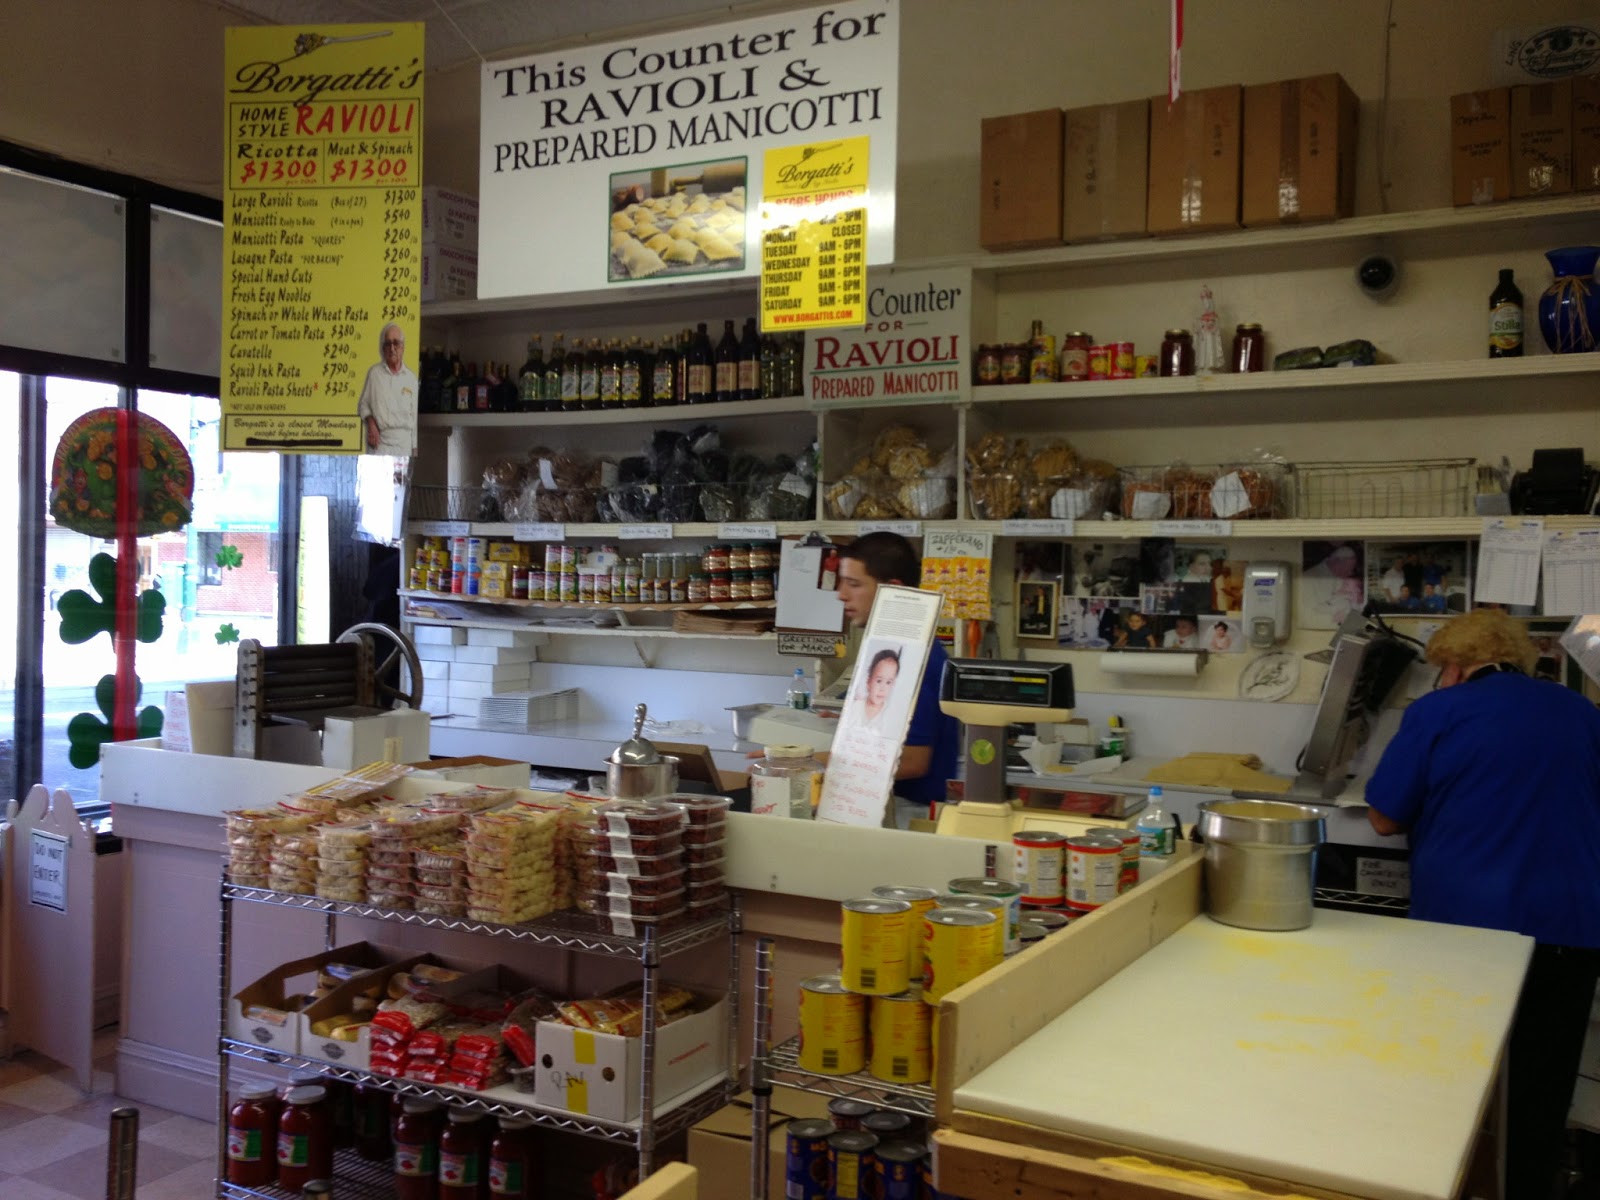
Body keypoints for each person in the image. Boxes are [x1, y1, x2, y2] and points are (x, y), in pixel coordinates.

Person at [1365, 609, 1600, 1200]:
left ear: (1454, 667)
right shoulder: (1581, 712)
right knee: (1542, 1088)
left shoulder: (1437, 712)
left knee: (1454, 1080)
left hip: (1466, 931)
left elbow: (1384, 816)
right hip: (1570, 926)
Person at [835, 532, 962, 828]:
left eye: (854, 584)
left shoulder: (914, 658)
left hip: (911, 815)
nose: (841, 594)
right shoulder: (889, 647)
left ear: (892, 590)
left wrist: (808, 763)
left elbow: (913, 761)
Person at [357, 322, 419, 456]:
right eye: (388, 344)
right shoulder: (374, 374)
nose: (392, 348)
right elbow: (363, 405)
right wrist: (371, 422)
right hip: (380, 444)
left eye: (396, 343)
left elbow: (414, 417)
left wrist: (415, 450)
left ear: (402, 347)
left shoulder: (411, 378)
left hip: (404, 446)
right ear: (383, 348)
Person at [850, 647, 901, 732]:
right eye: (879, 681)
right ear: (868, 682)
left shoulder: (890, 714)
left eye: (888, 682)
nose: (882, 689)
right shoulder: (856, 706)